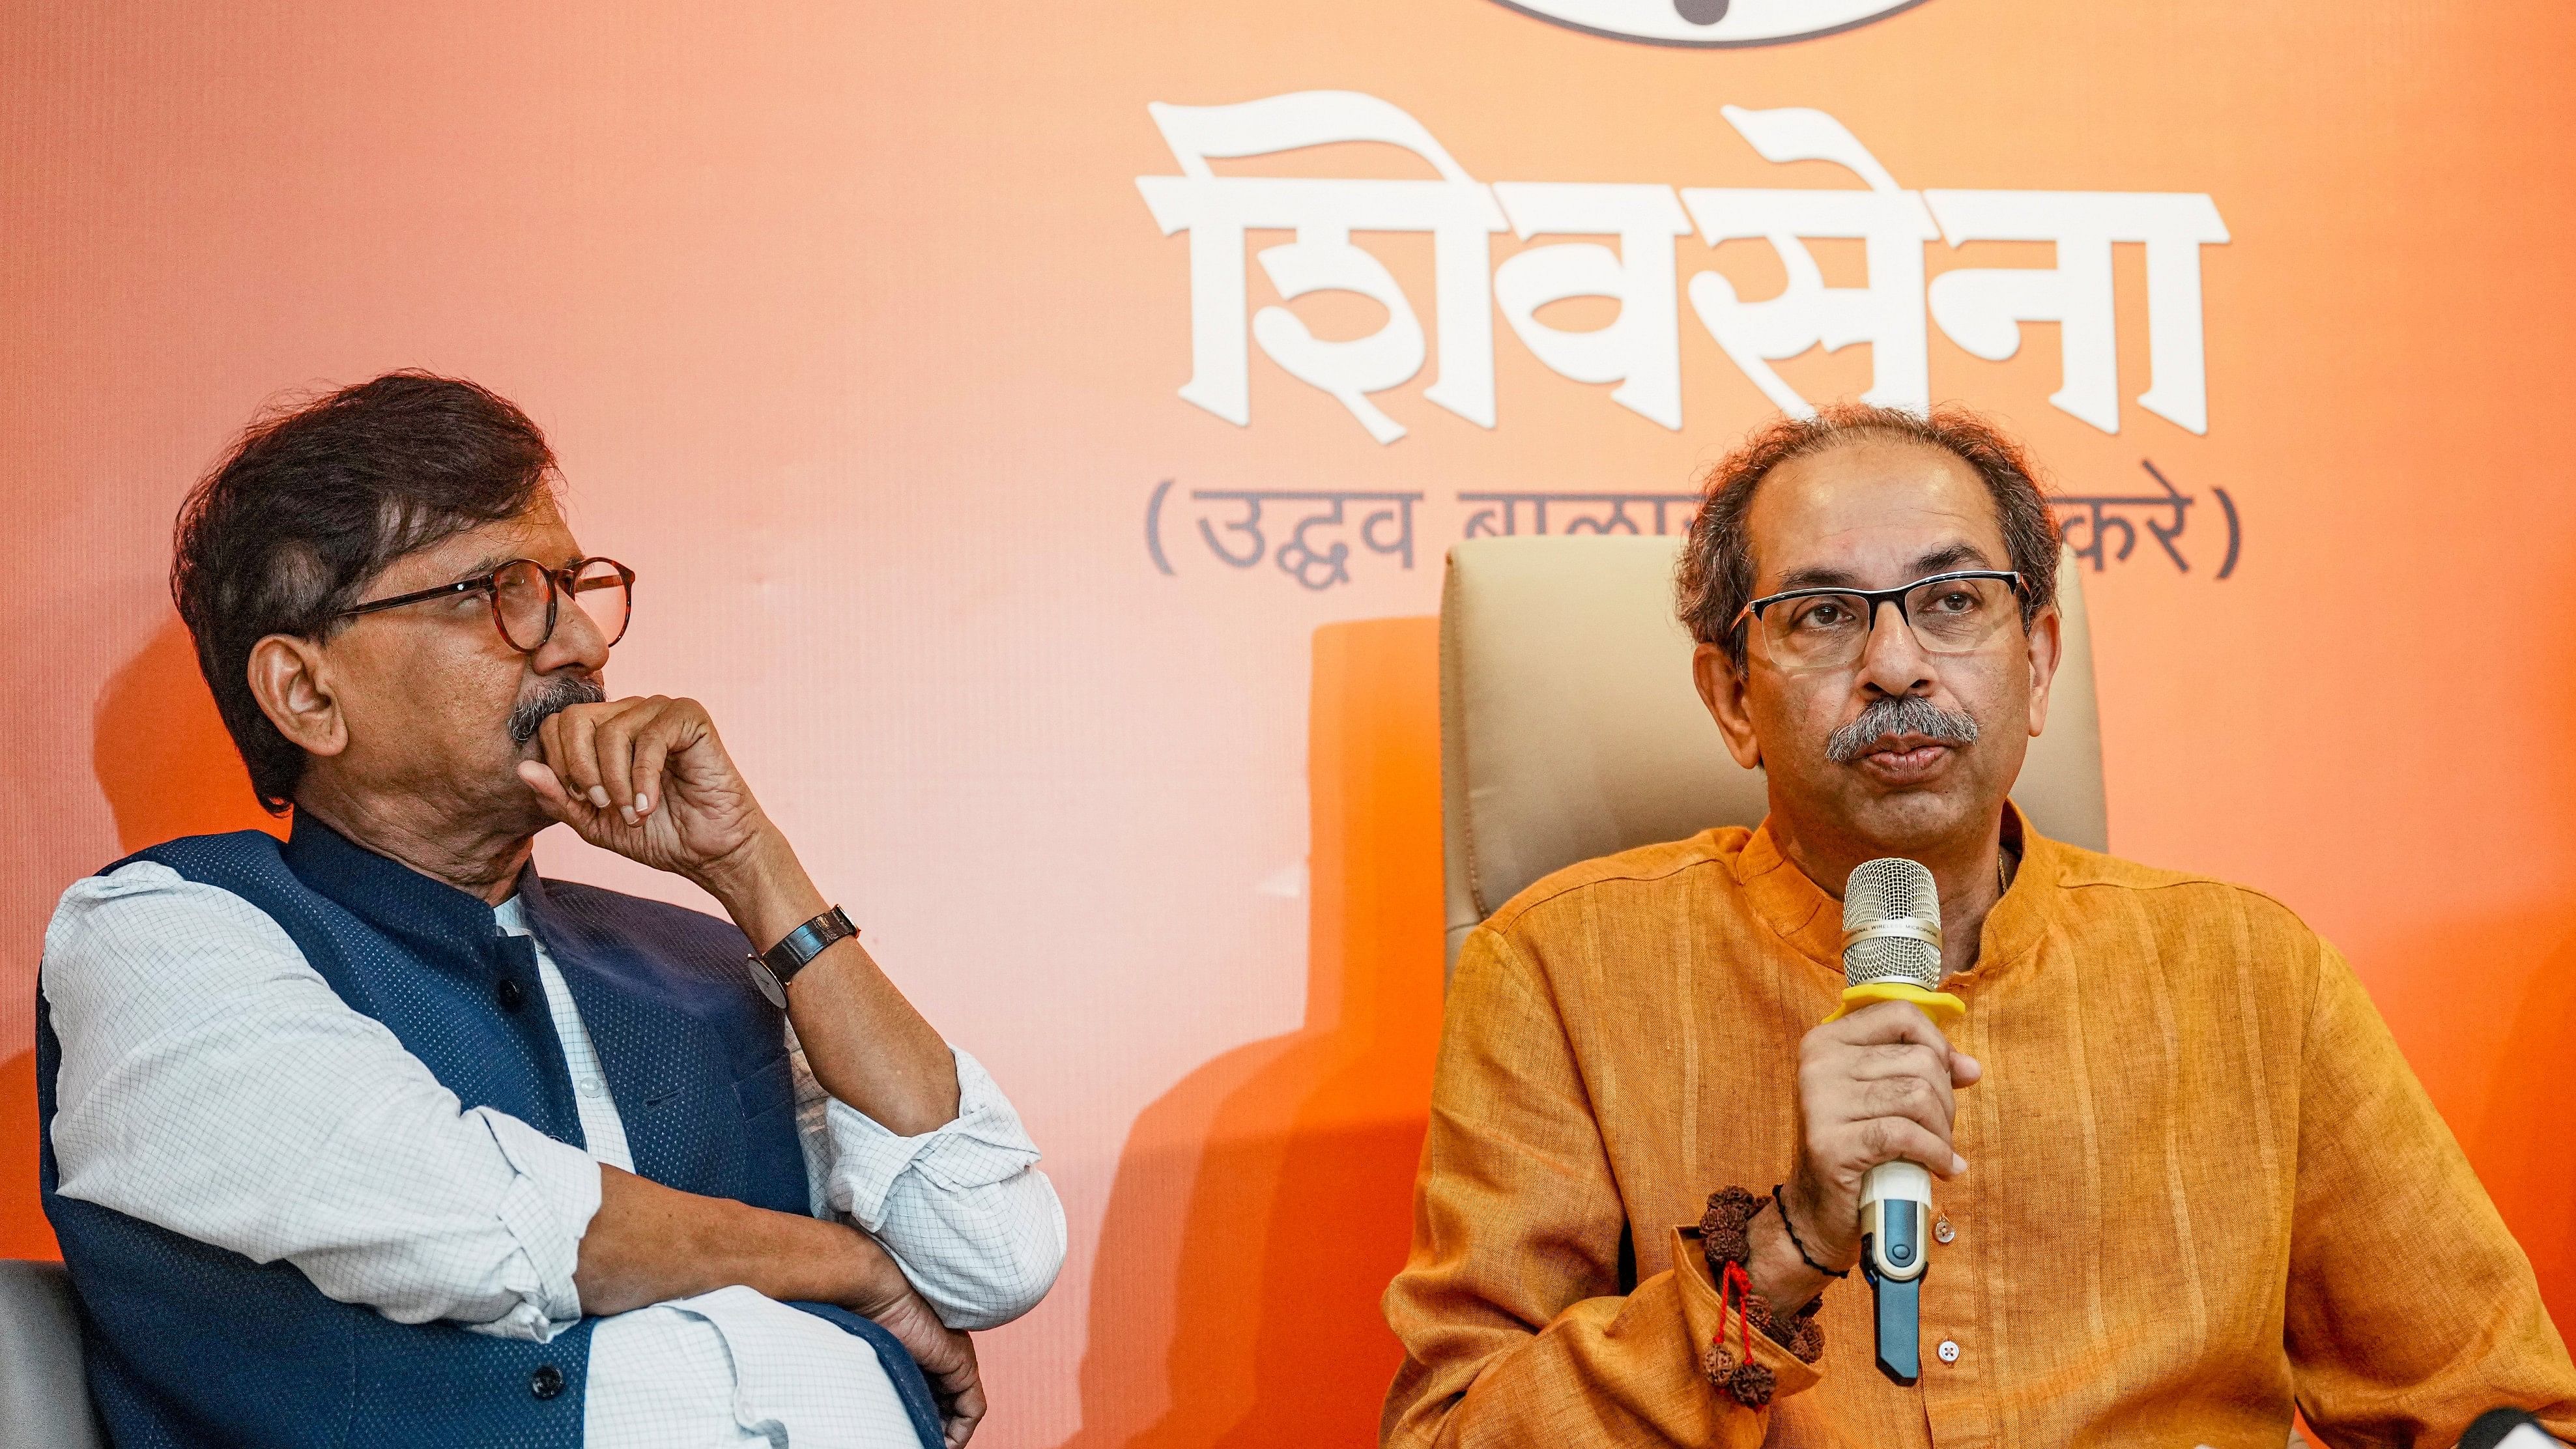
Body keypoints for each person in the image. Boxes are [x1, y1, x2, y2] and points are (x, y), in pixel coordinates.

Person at [1381, 403, 2576, 1447]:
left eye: (1952, 602)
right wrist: (1787, 1244)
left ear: (2040, 661)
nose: (1897, 663)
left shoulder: (2252, 975)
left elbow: (2479, 1400)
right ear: (1730, 697)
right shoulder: (1556, 970)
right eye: (1822, 616)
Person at [37, 373, 1065, 1449]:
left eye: (573, 585)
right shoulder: (167, 931)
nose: (579, 641)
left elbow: (990, 1251)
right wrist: (843, 1267)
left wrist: (756, 872)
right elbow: (473, 1218)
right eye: (498, 592)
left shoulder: (699, 956)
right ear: (307, 693)